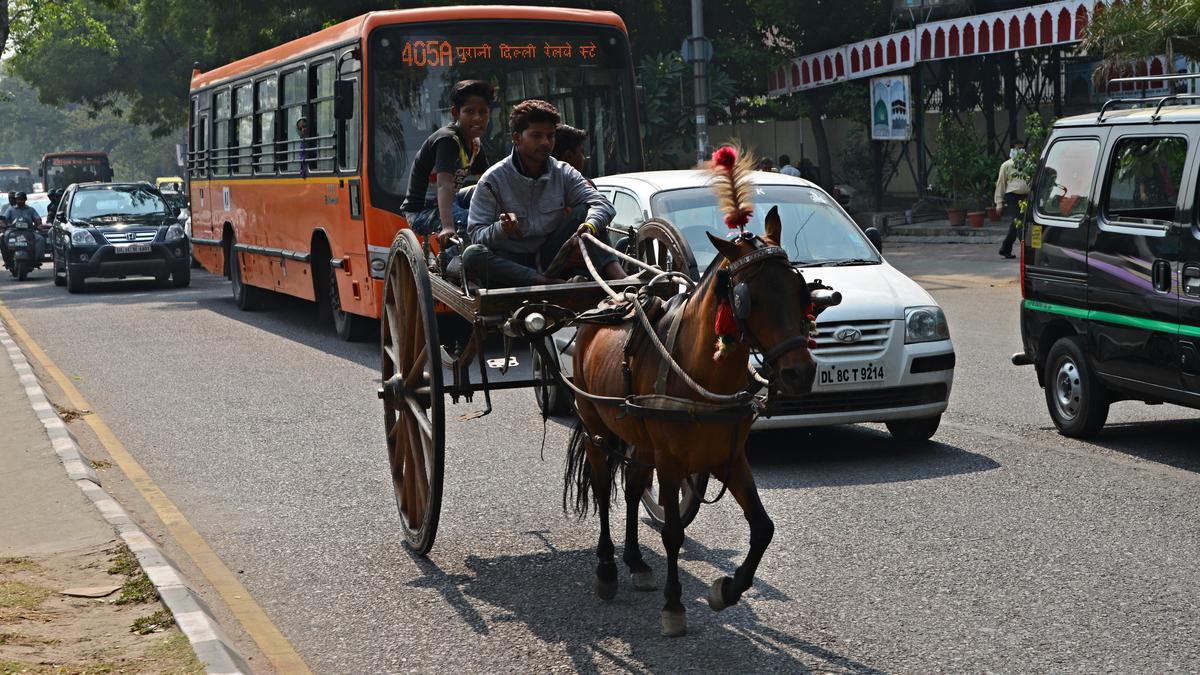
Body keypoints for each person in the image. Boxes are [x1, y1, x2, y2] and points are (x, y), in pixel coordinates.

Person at [463, 99, 619, 287]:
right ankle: (547, 282)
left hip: (552, 257)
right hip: (512, 263)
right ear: (517, 138)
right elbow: (476, 234)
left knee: (586, 212)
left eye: (550, 136)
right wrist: (501, 229)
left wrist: (590, 226)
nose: (545, 143)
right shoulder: (492, 179)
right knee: (472, 254)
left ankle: (620, 278)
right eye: (536, 136)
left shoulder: (563, 172)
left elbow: (603, 205)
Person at [401, 79, 494, 248]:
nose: (478, 118)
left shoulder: (475, 143)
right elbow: (444, 185)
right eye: (470, 111)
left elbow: (488, 181)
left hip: (452, 200)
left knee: (486, 191)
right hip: (423, 211)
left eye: (483, 112)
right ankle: (451, 262)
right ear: (455, 113)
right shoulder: (448, 140)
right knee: (476, 222)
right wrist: (448, 226)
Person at [995, 139, 1030, 259]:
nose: (1019, 151)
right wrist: (999, 203)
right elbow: (1001, 184)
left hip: (1027, 197)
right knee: (1019, 224)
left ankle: (1005, 249)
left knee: (1016, 224)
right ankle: (1026, 252)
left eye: (1021, 148)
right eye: (1016, 149)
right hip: (1013, 197)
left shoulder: (1028, 164)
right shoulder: (1006, 165)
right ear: (1011, 150)